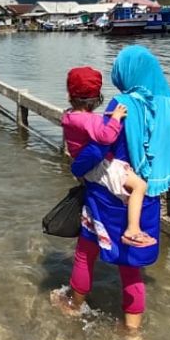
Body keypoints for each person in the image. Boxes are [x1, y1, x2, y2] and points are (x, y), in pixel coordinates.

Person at [54, 45, 170, 339]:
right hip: (146, 197)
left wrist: (77, 167)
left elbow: (97, 150)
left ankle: (73, 304)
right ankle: (131, 331)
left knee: (86, 253)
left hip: (107, 198)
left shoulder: (123, 104)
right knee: (132, 268)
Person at [61, 66, 155, 248]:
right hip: (99, 167)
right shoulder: (90, 120)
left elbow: (89, 126)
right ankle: (132, 230)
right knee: (140, 186)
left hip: (87, 167)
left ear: (69, 96)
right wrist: (116, 118)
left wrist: (107, 118)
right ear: (97, 98)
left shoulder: (70, 116)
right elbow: (106, 136)